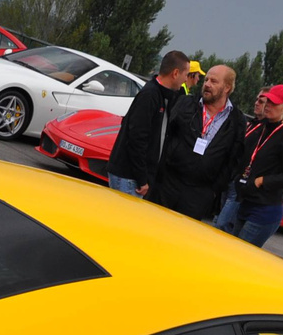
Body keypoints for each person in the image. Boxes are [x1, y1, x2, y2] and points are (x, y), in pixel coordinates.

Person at [147, 65, 244, 221]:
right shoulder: (186, 103)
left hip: (199, 194)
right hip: (167, 183)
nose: (207, 84)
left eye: (213, 81)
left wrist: (214, 189)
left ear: (227, 87)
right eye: (206, 80)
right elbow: (165, 135)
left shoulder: (237, 120)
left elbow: (234, 158)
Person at [106, 50, 189, 197]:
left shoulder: (164, 96)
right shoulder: (150, 95)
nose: (185, 80)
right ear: (175, 73)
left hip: (135, 177)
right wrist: (141, 178)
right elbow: (137, 137)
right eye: (185, 74)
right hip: (129, 177)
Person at [232, 84, 283, 249]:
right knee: (229, 253)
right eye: (268, 101)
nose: (268, 105)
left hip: (264, 210)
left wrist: (262, 181)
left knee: (238, 255)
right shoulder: (261, 127)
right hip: (245, 201)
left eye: (274, 103)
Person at [212, 88, 271, 234]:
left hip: (241, 184)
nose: (256, 103)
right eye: (257, 99)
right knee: (216, 219)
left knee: (223, 225)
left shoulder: (266, 130)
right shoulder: (251, 123)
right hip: (231, 177)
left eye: (261, 101)